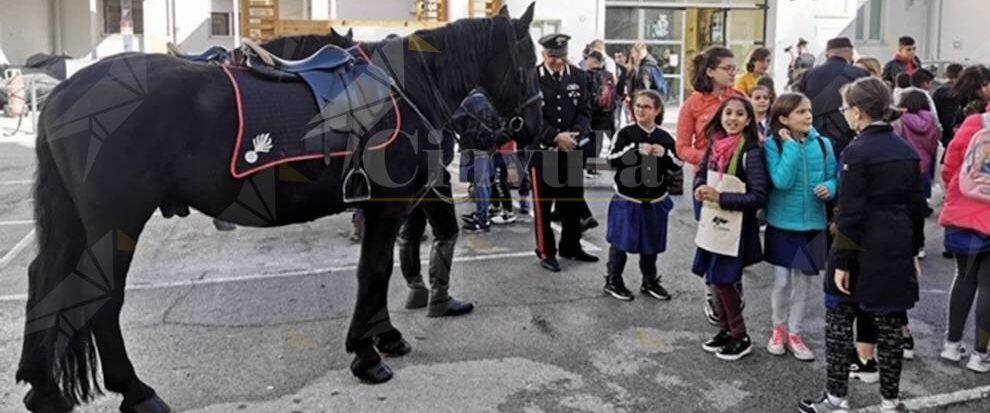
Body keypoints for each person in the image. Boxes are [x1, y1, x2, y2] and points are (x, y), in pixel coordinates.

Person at [799, 77, 925, 413]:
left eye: (845, 109)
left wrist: (840, 260)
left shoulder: (856, 152)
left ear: (857, 112)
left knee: (839, 320)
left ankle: (836, 398)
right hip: (896, 244)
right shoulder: (906, 150)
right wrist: (914, 251)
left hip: (859, 245)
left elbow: (850, 212)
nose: (844, 115)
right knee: (889, 325)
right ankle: (890, 401)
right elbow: (917, 208)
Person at [693, 96, 769, 361]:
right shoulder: (714, 145)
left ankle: (740, 336)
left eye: (739, 114)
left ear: (749, 119)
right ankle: (726, 331)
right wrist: (699, 188)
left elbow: (759, 196)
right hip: (713, 225)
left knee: (725, 280)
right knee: (714, 279)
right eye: (728, 113)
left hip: (735, 230)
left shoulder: (751, 151)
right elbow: (701, 173)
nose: (732, 118)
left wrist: (720, 198)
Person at [763, 93, 837, 362]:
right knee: (782, 282)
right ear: (783, 119)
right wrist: (790, 145)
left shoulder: (824, 144)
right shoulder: (773, 145)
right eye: (801, 112)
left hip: (813, 224)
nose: (808, 116)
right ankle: (778, 328)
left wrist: (830, 188)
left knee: (805, 282)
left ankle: (795, 332)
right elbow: (781, 181)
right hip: (782, 224)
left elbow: (833, 176)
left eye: (809, 111)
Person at [676, 45, 746, 325]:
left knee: (735, 239)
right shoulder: (693, 104)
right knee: (712, 238)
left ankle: (734, 289)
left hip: (737, 181)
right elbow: (681, 147)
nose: (733, 73)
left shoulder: (740, 98)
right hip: (706, 182)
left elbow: (753, 135)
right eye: (727, 68)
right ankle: (711, 291)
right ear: (710, 71)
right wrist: (709, 159)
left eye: (734, 68)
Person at [603, 90, 680, 301]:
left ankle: (649, 280)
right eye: (637, 106)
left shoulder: (664, 137)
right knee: (620, 242)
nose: (640, 110)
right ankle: (613, 280)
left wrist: (665, 154)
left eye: (646, 106)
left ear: (657, 110)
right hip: (628, 199)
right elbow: (611, 160)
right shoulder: (626, 133)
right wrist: (635, 149)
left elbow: (677, 163)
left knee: (651, 243)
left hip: (655, 199)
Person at [530, 33, 598, 273]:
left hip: (571, 150)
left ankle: (571, 246)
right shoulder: (531, 79)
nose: (558, 61)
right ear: (542, 54)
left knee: (571, 203)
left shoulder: (578, 76)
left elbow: (586, 110)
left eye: (562, 56)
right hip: (544, 152)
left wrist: (575, 134)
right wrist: (555, 137)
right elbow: (529, 119)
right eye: (552, 56)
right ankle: (546, 251)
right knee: (544, 207)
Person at [938, 87, 990, 373]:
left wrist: (954, 192)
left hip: (964, 212)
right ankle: (980, 354)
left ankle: (951, 344)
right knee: (989, 286)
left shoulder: (974, 123)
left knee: (964, 278)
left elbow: (949, 165)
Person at [797, 37, 869, 155]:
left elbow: (800, 103)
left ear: (828, 55)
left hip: (816, 134)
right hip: (849, 134)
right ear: (849, 54)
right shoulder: (859, 73)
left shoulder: (809, 75)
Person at [893, 90, 940, 219]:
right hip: (925, 159)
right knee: (921, 189)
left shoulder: (900, 119)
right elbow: (933, 142)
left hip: (905, 160)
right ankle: (922, 208)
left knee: (907, 190)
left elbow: (895, 139)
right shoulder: (931, 119)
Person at [587, 50, 618, 177]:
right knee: (613, 137)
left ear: (593, 61)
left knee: (594, 139)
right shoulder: (609, 75)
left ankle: (591, 167)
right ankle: (617, 158)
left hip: (593, 112)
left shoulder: (586, 75)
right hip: (608, 112)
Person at [933, 63, 965, 148]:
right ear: (960, 74)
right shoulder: (958, 92)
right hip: (953, 132)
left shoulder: (938, 91)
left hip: (941, 130)